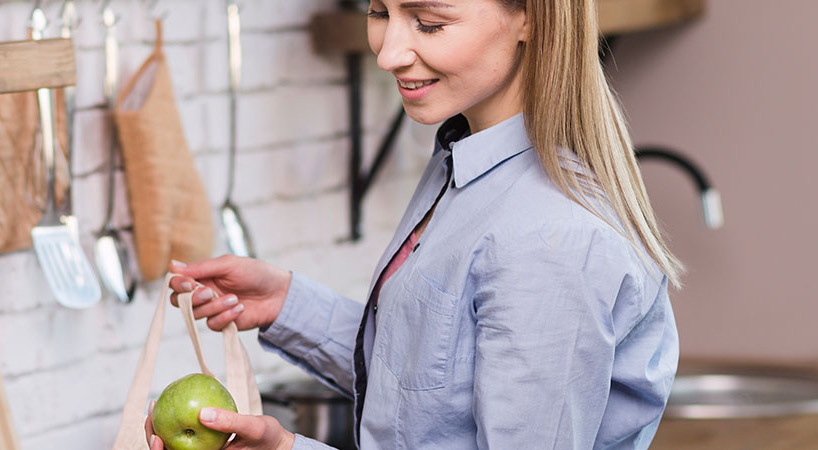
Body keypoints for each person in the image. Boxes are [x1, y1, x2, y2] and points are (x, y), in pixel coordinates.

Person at [146, 0, 680, 448]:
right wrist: (287, 304)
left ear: (529, 17)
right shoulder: (464, 160)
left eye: (429, 22)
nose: (388, 52)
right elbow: (430, 383)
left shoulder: (548, 239)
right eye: (380, 11)